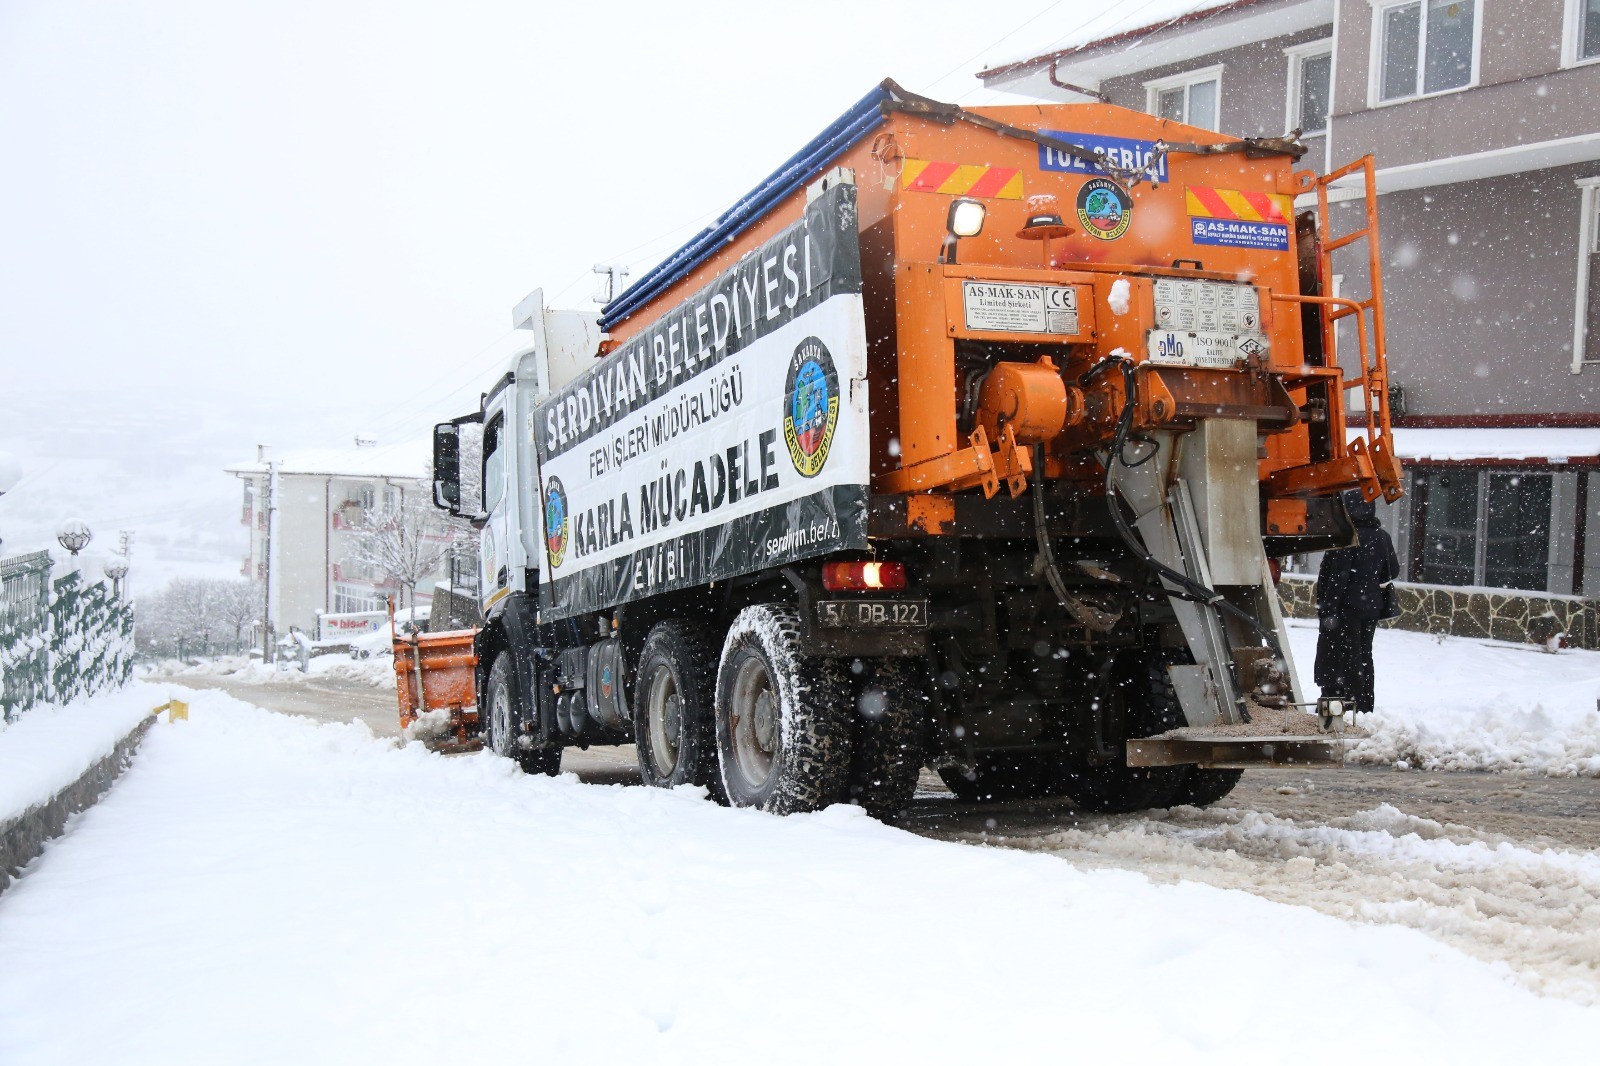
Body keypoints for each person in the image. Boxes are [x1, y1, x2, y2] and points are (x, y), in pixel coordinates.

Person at [1314, 490, 1399, 714]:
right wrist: (1370, 583)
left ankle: (1346, 704)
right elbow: (1393, 571)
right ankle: (1365, 704)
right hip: (1371, 608)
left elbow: (1337, 578)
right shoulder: (1382, 536)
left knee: (1343, 656)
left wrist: (1327, 610)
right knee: (1364, 655)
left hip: (1346, 608)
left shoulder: (1347, 537)